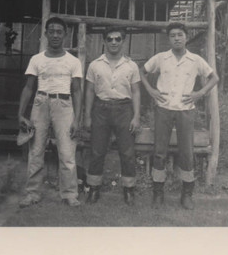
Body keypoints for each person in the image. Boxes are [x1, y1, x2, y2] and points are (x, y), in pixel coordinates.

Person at [140, 22, 219, 210]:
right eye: (173, 35)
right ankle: (158, 193)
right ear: (169, 39)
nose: (176, 38)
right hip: (163, 109)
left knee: (187, 152)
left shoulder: (195, 60)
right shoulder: (161, 58)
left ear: (186, 37)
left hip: (186, 109)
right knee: (159, 151)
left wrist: (199, 93)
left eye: (180, 35)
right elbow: (141, 72)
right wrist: (151, 90)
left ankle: (187, 194)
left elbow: (214, 78)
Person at [18, 17, 82, 208]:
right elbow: (29, 87)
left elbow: (77, 91)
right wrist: (20, 114)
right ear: (45, 34)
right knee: (36, 151)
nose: (55, 35)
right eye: (51, 31)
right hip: (41, 102)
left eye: (59, 31)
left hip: (64, 104)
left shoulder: (73, 61)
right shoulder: (36, 59)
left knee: (67, 151)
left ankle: (69, 194)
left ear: (65, 34)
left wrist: (76, 119)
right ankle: (32, 193)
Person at [83, 27, 141, 206]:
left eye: (117, 39)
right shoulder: (95, 65)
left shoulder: (131, 65)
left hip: (124, 109)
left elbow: (136, 91)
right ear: (104, 41)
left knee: (127, 152)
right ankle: (93, 189)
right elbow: (90, 91)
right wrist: (87, 115)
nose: (114, 42)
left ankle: (129, 190)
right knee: (97, 151)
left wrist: (136, 116)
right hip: (101, 109)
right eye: (110, 39)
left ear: (123, 41)